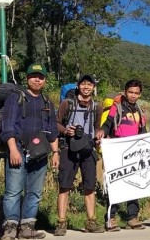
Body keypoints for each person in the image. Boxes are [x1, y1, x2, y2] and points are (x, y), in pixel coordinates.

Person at [0, 63, 60, 240]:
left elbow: (52, 130)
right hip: (18, 149)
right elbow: (8, 126)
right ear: (27, 78)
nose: (37, 79)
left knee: (34, 192)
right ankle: (10, 228)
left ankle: (27, 227)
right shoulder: (16, 98)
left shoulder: (47, 102)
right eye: (33, 76)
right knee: (13, 191)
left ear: (44, 80)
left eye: (40, 76)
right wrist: (12, 149)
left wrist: (55, 152)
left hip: (40, 152)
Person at [55, 74, 105, 236]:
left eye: (89, 84)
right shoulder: (66, 104)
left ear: (93, 87)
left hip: (88, 148)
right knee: (64, 186)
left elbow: (97, 126)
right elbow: (56, 124)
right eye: (83, 84)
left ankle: (91, 221)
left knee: (90, 187)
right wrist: (66, 130)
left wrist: (99, 134)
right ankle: (61, 222)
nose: (86, 87)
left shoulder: (97, 106)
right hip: (68, 148)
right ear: (78, 86)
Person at [101, 79, 147, 231]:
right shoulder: (117, 108)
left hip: (134, 153)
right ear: (125, 92)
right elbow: (108, 124)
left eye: (136, 93)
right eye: (130, 92)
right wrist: (102, 132)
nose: (133, 95)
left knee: (134, 185)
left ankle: (132, 218)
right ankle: (111, 218)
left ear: (140, 94)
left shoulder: (140, 111)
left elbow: (142, 132)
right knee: (115, 186)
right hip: (117, 151)